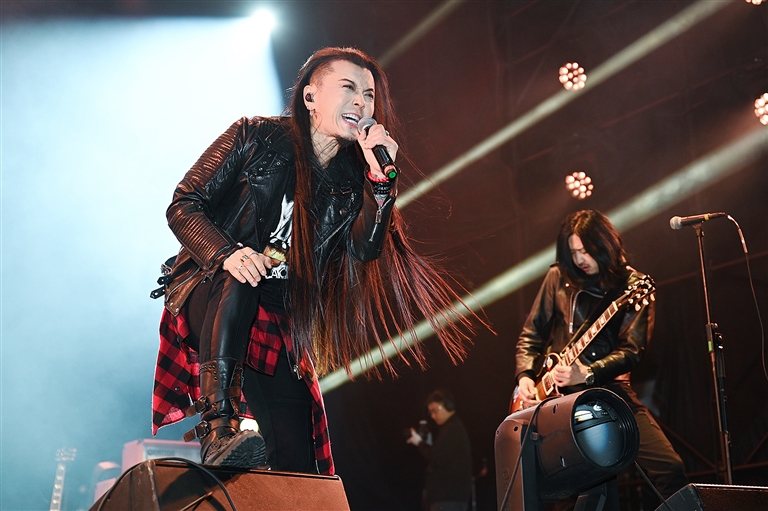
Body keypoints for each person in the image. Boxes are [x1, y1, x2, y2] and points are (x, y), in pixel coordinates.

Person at [150, 47, 477, 474]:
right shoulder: (254, 135)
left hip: (277, 313)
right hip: (212, 288)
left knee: (295, 450)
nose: (361, 102)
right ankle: (219, 429)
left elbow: (364, 249)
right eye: (348, 88)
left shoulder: (352, 179)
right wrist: (227, 253)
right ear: (310, 97)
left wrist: (381, 184)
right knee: (243, 276)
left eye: (369, 95)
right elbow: (184, 203)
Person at [514, 210, 687, 505]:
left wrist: (589, 372)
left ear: (604, 244)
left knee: (670, 469)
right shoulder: (558, 277)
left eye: (585, 250)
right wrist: (525, 376)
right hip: (558, 401)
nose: (579, 259)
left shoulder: (633, 285)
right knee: (572, 486)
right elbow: (531, 333)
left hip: (611, 390)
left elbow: (633, 350)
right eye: (573, 252)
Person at [407, 389, 472, 511]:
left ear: (447, 405)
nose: (432, 416)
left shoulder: (452, 429)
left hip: (447, 498)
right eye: (430, 412)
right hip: (450, 498)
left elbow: (435, 457)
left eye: (435, 410)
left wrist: (419, 443)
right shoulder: (452, 428)